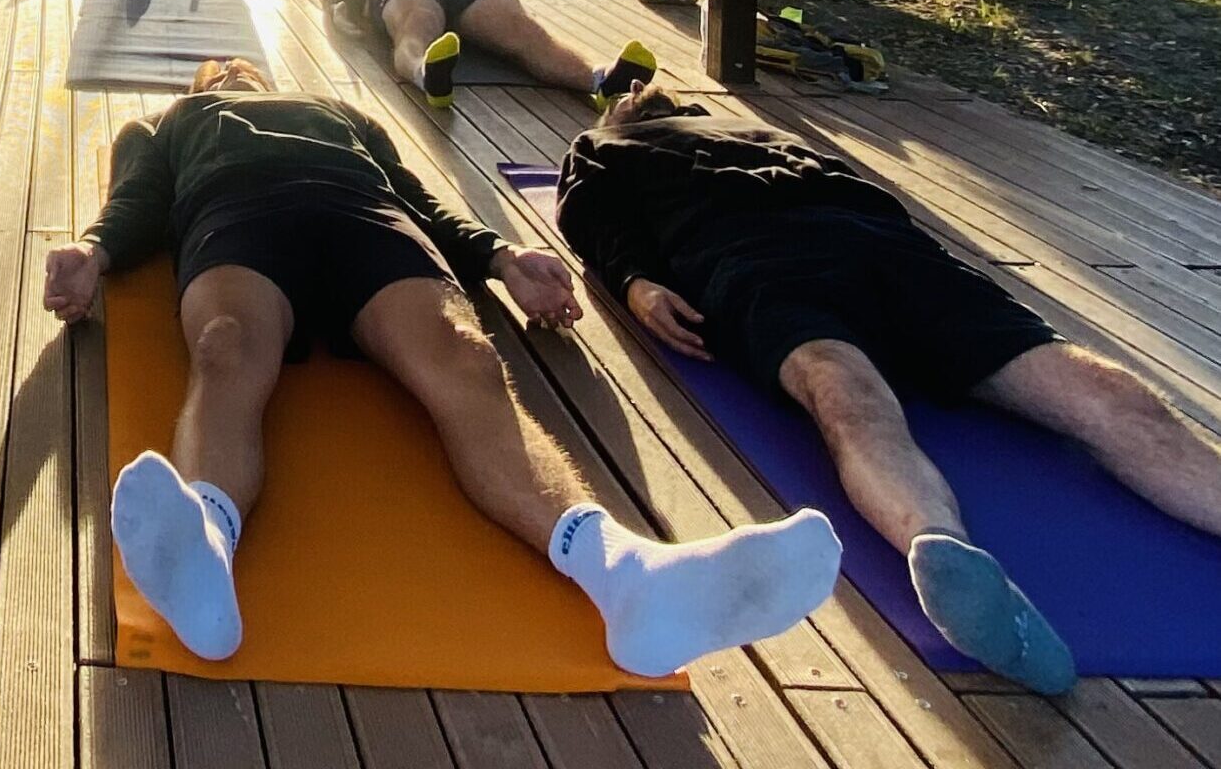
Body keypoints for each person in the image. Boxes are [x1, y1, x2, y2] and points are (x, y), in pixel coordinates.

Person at [41, 59, 840, 673]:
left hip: (366, 215)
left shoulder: (341, 112)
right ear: (208, 82)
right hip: (237, 213)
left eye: (239, 67)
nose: (233, 71)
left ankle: (629, 578)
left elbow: (422, 200)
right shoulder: (173, 119)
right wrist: (93, 250)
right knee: (225, 345)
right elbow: (138, 200)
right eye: (220, 70)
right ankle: (205, 556)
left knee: (467, 356)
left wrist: (502, 258)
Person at [556, 86, 1221, 691]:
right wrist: (635, 280)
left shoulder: (754, 130)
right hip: (755, 256)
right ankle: (947, 557)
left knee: (1103, 390)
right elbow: (586, 210)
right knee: (844, 392)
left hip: (894, 251)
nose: (636, 92)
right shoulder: (609, 143)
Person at [321, 0, 655, 111]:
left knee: (522, 30)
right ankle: (426, 72)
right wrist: (340, 13)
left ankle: (600, 80)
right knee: (417, 19)